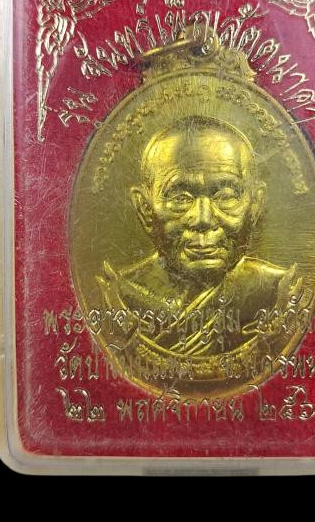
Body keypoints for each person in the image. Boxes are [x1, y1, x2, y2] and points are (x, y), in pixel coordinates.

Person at [96, 115, 302, 356]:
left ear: (254, 205)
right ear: (145, 209)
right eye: (181, 198)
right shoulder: (125, 295)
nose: (203, 219)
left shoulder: (276, 291)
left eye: (225, 196)